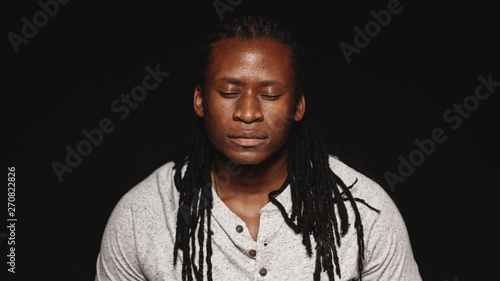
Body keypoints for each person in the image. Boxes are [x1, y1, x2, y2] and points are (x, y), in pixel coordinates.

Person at [95, 15, 422, 281]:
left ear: (297, 105)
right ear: (199, 100)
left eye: (270, 94)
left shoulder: (365, 212)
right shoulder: (142, 216)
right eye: (228, 91)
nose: (248, 112)